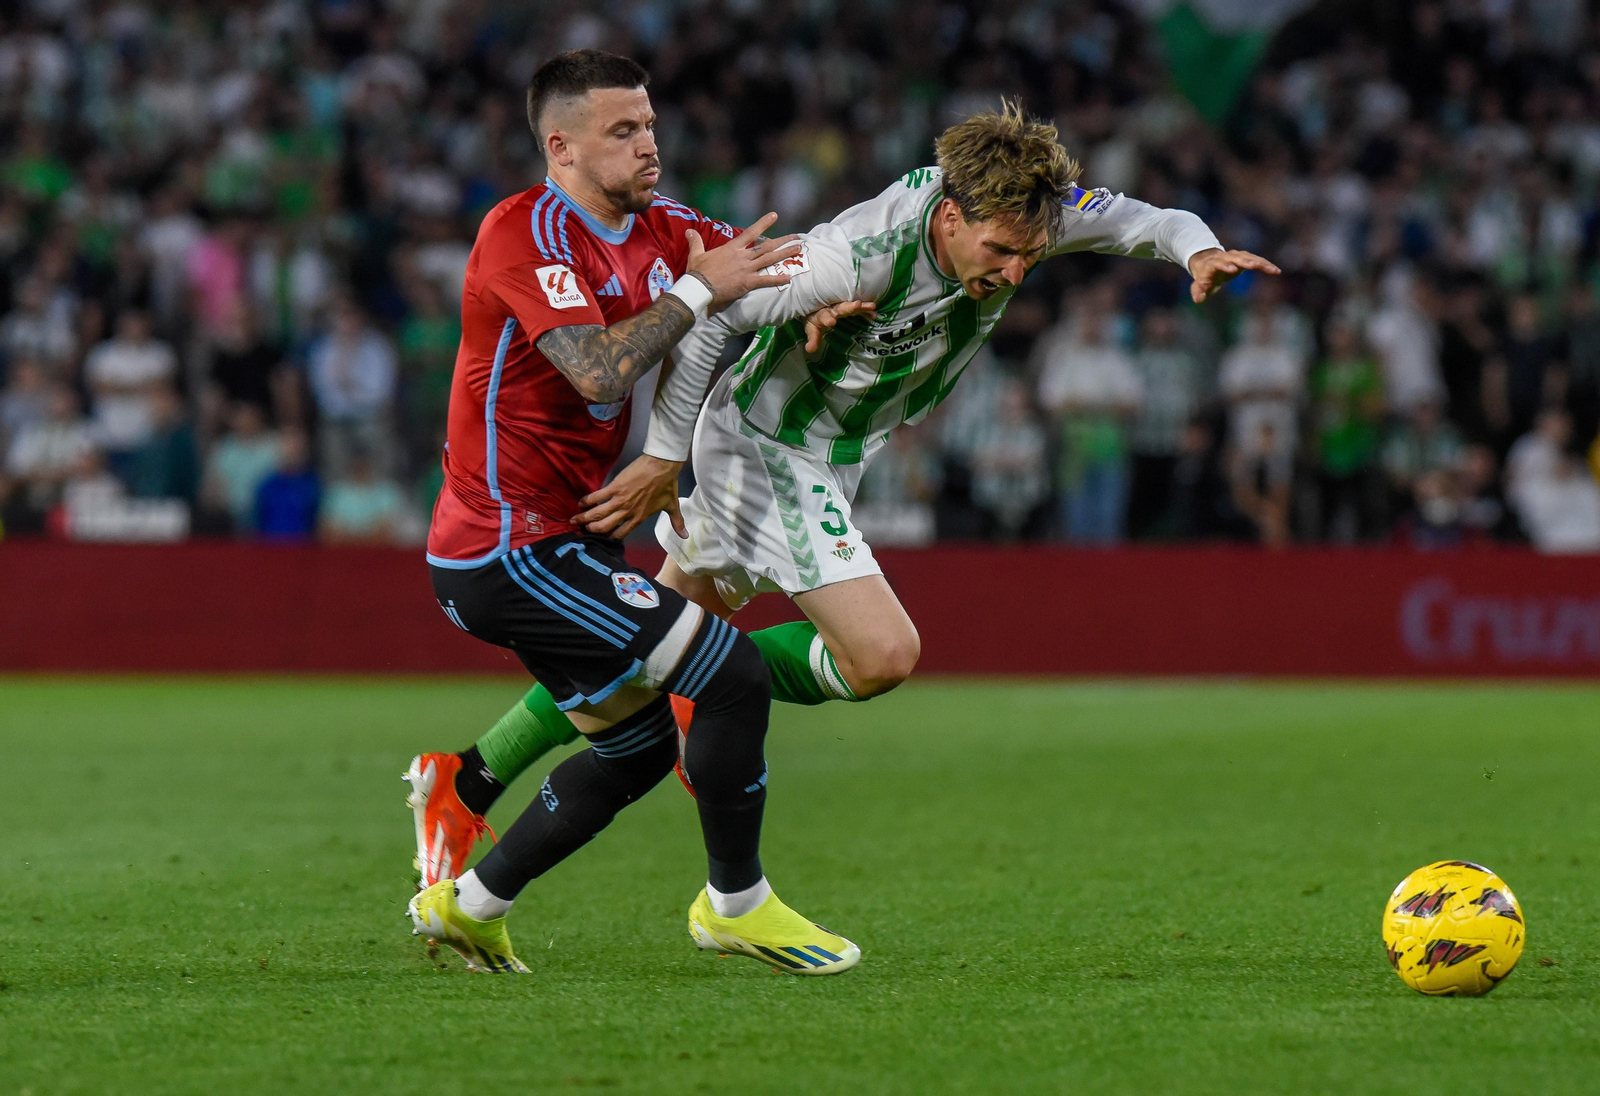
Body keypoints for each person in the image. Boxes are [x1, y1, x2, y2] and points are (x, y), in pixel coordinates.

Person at [403, 50, 858, 977]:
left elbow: (775, 268)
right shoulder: (523, 232)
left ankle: (470, 905)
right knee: (729, 674)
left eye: (649, 124)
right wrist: (700, 289)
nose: (649, 144)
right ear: (561, 147)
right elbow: (599, 371)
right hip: (503, 548)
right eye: (623, 130)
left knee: (637, 749)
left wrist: (826, 301)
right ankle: (738, 905)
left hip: (564, 540)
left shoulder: (666, 225)